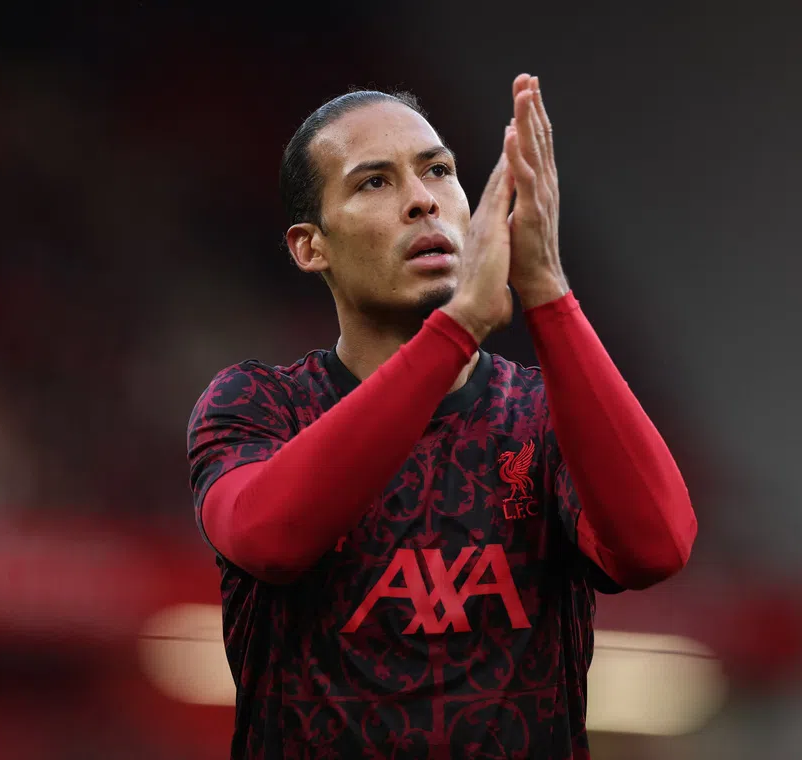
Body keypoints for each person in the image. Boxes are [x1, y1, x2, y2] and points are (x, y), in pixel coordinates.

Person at [187, 74, 697, 760]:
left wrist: (545, 286)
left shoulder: (544, 416)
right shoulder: (259, 405)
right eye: (374, 183)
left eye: (438, 170)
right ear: (312, 247)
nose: (422, 199)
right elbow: (270, 540)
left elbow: (657, 548)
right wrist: (457, 329)